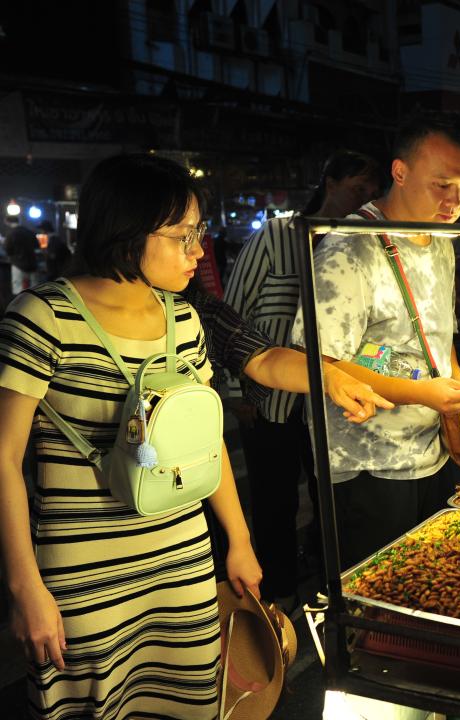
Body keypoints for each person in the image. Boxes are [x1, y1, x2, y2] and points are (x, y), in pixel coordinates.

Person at [0, 154, 263, 719]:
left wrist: (238, 541)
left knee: (189, 703)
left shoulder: (184, 320)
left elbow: (207, 441)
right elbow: (3, 458)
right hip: (84, 575)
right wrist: (26, 590)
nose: (199, 251)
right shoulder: (42, 318)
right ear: (126, 231)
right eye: (183, 236)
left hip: (183, 560)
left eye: (199, 233)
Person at [291, 112, 460, 569]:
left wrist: (457, 388)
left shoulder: (440, 240)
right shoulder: (350, 245)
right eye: (442, 185)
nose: (454, 201)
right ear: (400, 172)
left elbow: (437, 333)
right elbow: (315, 363)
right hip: (367, 465)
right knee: (374, 592)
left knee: (432, 582)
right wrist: (424, 393)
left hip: (431, 452)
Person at [223, 149, 381, 603]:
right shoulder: (278, 234)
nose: (363, 200)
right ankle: (277, 595)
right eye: (357, 189)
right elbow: (234, 310)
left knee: (327, 494)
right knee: (275, 499)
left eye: (371, 193)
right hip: (268, 395)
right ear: (330, 183)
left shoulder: (360, 244)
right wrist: (237, 391)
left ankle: (328, 581)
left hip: (327, 401)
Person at [3, 215, 38, 296]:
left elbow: (8, 249)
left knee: (18, 289)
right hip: (32, 263)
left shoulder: (11, 233)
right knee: (35, 290)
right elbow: (37, 245)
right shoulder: (29, 231)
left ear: (8, 222)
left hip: (18, 264)